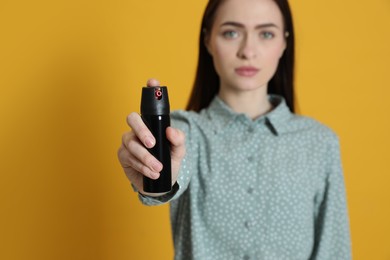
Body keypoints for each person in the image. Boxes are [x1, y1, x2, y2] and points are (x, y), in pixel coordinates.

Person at [117, 0, 351, 259]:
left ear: (284, 42)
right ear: (207, 40)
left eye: (266, 33)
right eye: (231, 32)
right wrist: (155, 174)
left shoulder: (319, 142)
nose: (248, 51)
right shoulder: (185, 133)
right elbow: (168, 177)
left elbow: (334, 249)